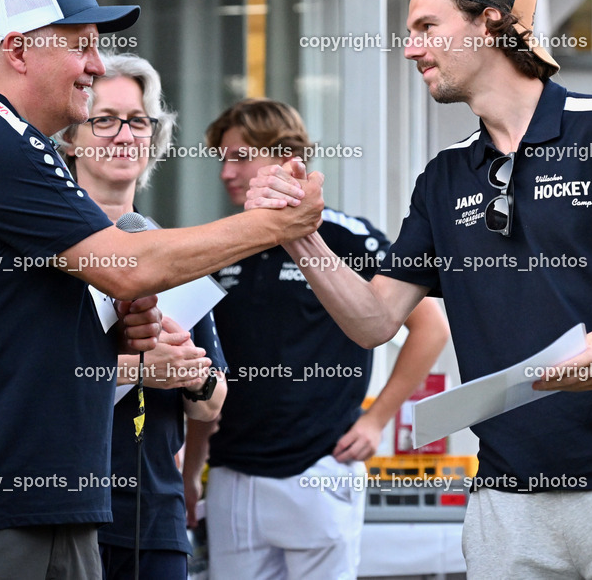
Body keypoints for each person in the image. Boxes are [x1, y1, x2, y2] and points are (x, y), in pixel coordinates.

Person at [248, 0, 592, 578]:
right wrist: (299, 236)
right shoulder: (443, 176)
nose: (411, 49)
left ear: (489, 22)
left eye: (427, 28)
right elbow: (374, 321)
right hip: (505, 499)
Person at [0, 0, 321, 579]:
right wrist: (274, 226)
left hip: (48, 511)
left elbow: (30, 326)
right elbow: (131, 266)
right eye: (80, 45)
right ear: (16, 49)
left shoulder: (19, 147)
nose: (95, 64)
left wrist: (117, 335)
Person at [186, 98, 449, 579]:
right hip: (231, 472)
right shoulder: (218, 244)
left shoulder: (347, 237)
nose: (226, 172)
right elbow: (206, 364)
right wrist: (192, 467)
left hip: (319, 466)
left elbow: (431, 326)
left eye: (240, 157)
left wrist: (376, 422)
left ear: (285, 155)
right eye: (221, 160)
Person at [55, 51, 228, 579]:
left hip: (154, 517)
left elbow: (214, 403)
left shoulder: (170, 251)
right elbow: (28, 381)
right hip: (60, 514)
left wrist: (192, 377)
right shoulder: (46, 246)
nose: (124, 134)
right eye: (103, 119)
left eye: (137, 121)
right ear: (69, 139)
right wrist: (138, 371)